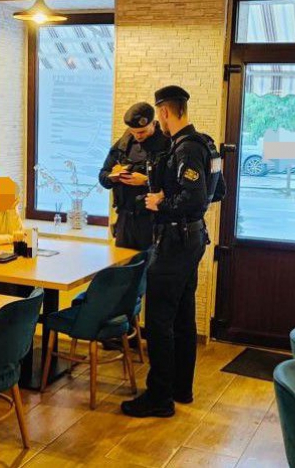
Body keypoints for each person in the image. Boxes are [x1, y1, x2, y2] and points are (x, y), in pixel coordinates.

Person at [121, 86, 226, 418]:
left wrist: (160, 202)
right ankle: (181, 387)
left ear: (164, 112)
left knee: (158, 320)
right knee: (182, 317)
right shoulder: (206, 144)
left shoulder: (185, 148)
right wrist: (176, 199)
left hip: (174, 242)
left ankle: (159, 396)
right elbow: (218, 191)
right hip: (192, 240)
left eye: (160, 115)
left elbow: (195, 198)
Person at [98, 102, 170, 250]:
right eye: (133, 131)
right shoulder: (124, 144)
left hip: (154, 220)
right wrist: (114, 177)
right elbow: (103, 176)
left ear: (153, 123)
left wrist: (146, 181)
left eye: (142, 132)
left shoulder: (166, 144)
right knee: (123, 263)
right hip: (125, 220)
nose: (138, 136)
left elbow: (174, 184)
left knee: (150, 263)